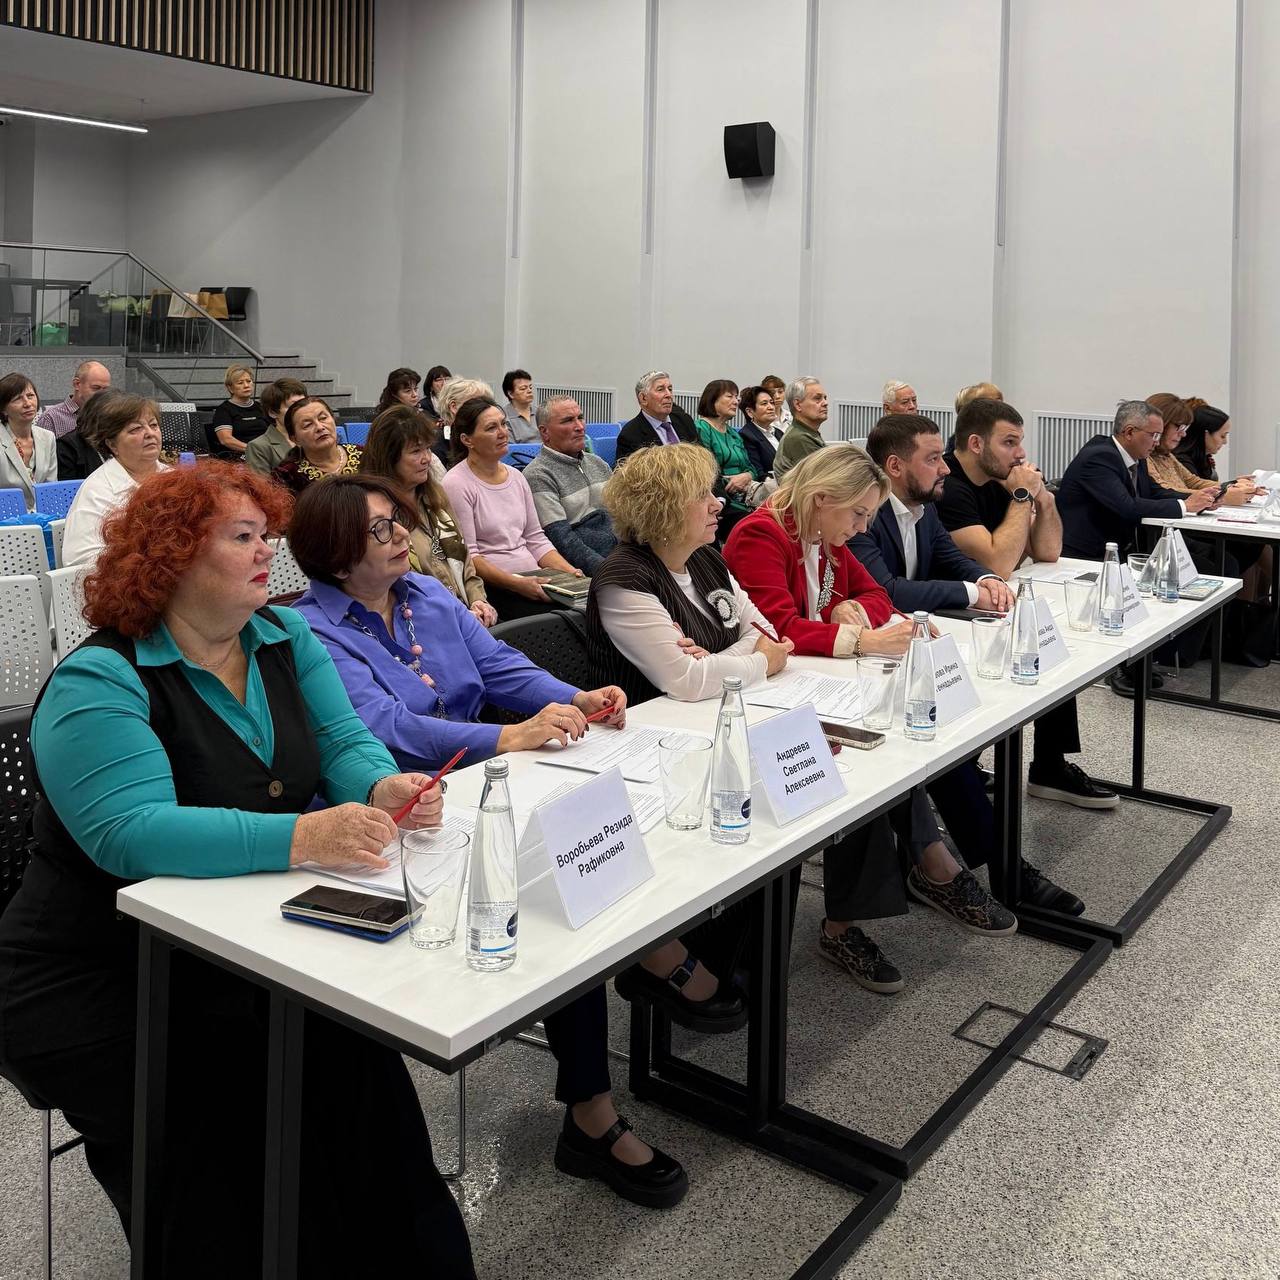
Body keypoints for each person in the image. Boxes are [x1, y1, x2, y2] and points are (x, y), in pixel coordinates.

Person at [0, 462, 476, 1277]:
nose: (268, 552)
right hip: (96, 969)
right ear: (173, 556)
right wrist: (306, 836)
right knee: (220, 1127)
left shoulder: (283, 638)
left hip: (242, 940)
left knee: (360, 1072)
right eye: (243, 536)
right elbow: (132, 834)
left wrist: (379, 785)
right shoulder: (99, 677)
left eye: (267, 535)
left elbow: (343, 742)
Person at [290, 476, 741, 1188]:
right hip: (401, 811)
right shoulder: (311, 628)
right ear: (335, 553)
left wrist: (574, 699)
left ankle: (648, 959)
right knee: (553, 890)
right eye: (381, 529)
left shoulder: (426, 594)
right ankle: (594, 1108)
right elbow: (387, 728)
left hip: (485, 781)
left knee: (589, 842)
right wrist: (508, 737)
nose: (403, 535)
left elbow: (500, 666)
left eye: (398, 521)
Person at [723, 447, 1021, 982]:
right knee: (872, 757)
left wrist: (854, 609)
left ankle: (923, 869)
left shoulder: (823, 535)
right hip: (767, 696)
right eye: (858, 514)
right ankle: (905, 883)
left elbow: (876, 593)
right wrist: (861, 638)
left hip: (815, 684)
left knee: (897, 738)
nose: (863, 527)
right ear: (821, 499)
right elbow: (779, 628)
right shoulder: (760, 535)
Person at [855, 412, 1085, 915]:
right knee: (945, 738)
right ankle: (1005, 866)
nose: (944, 468)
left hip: (911, 647)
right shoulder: (863, 511)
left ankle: (992, 856)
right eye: (932, 459)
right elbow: (885, 590)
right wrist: (968, 590)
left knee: (963, 719)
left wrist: (984, 580)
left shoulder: (924, 510)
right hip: (868, 659)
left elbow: (950, 557)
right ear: (895, 466)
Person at [936, 397, 1118, 810]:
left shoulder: (999, 479)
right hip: (951, 609)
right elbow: (998, 563)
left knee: (1051, 637)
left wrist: (1043, 497)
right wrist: (1022, 495)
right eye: (1009, 442)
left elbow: (1049, 551)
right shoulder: (951, 486)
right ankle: (968, 768)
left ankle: (1049, 766)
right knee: (1035, 636)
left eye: (1020, 442)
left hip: (989, 601)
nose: (1020, 453)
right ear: (976, 444)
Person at [442, 396, 585, 618]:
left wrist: (570, 572)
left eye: (503, 424)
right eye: (491, 428)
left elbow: (535, 539)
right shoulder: (456, 483)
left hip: (535, 578)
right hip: (496, 587)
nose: (503, 433)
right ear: (467, 440)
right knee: (565, 618)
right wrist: (517, 584)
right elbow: (470, 556)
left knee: (588, 606)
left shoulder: (517, 477)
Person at [359, 404, 495, 624]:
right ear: (389, 458)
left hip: (465, 614)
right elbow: (395, 588)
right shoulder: (375, 514)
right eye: (416, 451)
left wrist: (478, 599)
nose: (427, 459)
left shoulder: (436, 496)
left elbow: (465, 560)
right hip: (419, 623)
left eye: (428, 449)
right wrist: (457, 616)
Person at [1056, 400, 1216, 561]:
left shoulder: (1137, 455)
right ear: (1129, 432)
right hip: (1087, 555)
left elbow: (1154, 492)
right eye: (1154, 435)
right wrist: (1185, 506)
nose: (1157, 442)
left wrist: (1200, 499)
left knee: (1209, 560)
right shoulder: (1099, 457)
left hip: (1118, 549)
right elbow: (1127, 506)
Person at [62, 394, 169, 567]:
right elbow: (80, 560)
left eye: (153, 425)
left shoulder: (174, 478)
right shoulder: (96, 490)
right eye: (136, 429)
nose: (150, 433)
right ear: (112, 445)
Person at [524, 395, 616, 574]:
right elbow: (563, 541)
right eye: (568, 421)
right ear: (545, 432)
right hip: (591, 570)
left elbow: (624, 518)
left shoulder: (598, 463)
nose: (580, 427)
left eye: (580, 417)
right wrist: (610, 573)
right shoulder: (538, 475)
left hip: (622, 558)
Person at [695, 379, 764, 536]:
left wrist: (746, 476)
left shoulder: (733, 433)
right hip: (721, 498)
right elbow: (707, 470)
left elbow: (751, 468)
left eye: (736, 397)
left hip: (746, 493)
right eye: (730, 396)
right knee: (757, 525)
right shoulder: (701, 428)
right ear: (713, 399)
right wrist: (734, 482)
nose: (736, 401)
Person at [270, 396, 363, 494]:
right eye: (307, 425)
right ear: (295, 439)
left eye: (323, 418)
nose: (320, 427)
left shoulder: (364, 455)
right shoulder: (286, 475)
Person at [615, 371, 699, 463]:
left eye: (670, 389)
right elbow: (626, 471)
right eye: (660, 389)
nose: (669, 395)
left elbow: (701, 458)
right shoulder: (630, 435)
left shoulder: (685, 420)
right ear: (643, 398)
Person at [0, 372, 58, 507]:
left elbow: (51, 488)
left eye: (30, 396)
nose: (27, 403)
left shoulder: (47, 437)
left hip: (42, 516)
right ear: (3, 409)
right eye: (17, 399)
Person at [244, 377, 308, 476]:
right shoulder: (259, 446)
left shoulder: (315, 435)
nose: (303, 410)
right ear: (273, 412)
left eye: (304, 404)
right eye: (294, 406)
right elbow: (261, 484)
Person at [34, 359, 112, 439]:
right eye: (96, 388)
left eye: (105, 389)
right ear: (77, 384)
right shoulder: (51, 418)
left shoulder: (109, 416)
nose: (101, 394)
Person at [772, 377, 828, 478]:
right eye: (817, 398)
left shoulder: (806, 432)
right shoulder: (799, 438)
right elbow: (825, 479)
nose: (825, 403)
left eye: (825, 398)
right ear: (798, 405)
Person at [432, 375, 493, 467]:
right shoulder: (435, 444)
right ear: (454, 406)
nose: (486, 409)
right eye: (477, 404)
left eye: (487, 404)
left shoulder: (488, 436)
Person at [210, 363, 267, 457]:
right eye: (240, 383)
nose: (246, 385)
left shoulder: (261, 407)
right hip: (239, 457)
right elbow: (226, 440)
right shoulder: (224, 410)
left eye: (249, 381)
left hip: (265, 454)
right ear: (230, 388)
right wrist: (253, 450)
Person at [739, 383, 787, 478]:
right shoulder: (747, 435)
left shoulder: (778, 432)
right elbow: (758, 473)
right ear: (750, 412)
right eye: (764, 404)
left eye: (771, 402)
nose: (771, 407)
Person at [501, 368, 539, 442]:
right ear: (510, 394)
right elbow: (509, 446)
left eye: (530, 387)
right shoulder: (503, 416)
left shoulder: (539, 412)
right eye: (523, 388)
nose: (529, 391)